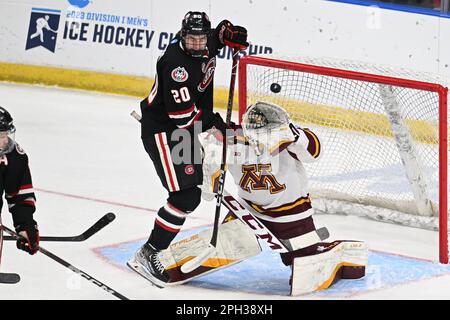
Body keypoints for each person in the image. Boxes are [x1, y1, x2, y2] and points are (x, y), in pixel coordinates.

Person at [127, 11, 248, 286]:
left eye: (201, 38)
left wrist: (230, 34)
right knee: (184, 197)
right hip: (166, 132)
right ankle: (148, 252)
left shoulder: (206, 43)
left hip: (186, 132)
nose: (196, 44)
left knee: (189, 196)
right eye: (190, 38)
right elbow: (182, 116)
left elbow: (221, 33)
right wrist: (217, 124)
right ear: (182, 36)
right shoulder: (175, 65)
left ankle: (153, 248)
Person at [199, 101, 368, 294]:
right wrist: (208, 164)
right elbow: (201, 146)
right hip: (248, 210)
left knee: (303, 261)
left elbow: (316, 152)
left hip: (292, 214)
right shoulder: (230, 139)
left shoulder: (288, 139)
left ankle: (333, 254)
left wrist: (296, 136)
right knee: (229, 240)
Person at [0, 106, 39, 259]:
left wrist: (25, 225)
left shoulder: (14, 156)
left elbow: (19, 195)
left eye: (5, 135)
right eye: (0, 135)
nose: (5, 140)